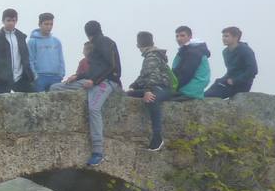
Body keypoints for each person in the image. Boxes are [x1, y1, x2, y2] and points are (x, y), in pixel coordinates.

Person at [51, 21, 122, 166]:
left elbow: (111, 66)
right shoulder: (97, 44)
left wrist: (94, 81)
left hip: (107, 82)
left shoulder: (103, 43)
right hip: (93, 80)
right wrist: (78, 76)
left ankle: (98, 151)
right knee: (56, 87)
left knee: (94, 108)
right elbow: (94, 70)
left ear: (87, 34)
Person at [126, 32, 174, 151]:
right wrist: (133, 85)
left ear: (138, 45)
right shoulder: (152, 55)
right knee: (129, 94)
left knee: (152, 100)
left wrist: (147, 91)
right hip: (157, 86)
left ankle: (157, 137)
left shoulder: (152, 56)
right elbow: (144, 76)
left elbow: (153, 77)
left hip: (162, 88)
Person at [0, 8, 35, 94]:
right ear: (3, 21)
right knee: (1, 106)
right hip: (1, 80)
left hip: (20, 77)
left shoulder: (21, 37)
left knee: (31, 100)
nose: (11, 23)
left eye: (13, 20)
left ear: (16, 21)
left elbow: (25, 56)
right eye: (8, 20)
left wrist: (29, 73)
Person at [205, 27, 258, 98]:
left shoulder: (245, 50)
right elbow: (231, 70)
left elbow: (253, 70)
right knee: (206, 94)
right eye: (223, 36)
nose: (223, 38)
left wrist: (235, 81)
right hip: (229, 81)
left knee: (209, 96)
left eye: (226, 36)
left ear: (236, 37)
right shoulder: (225, 52)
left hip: (242, 84)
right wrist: (222, 80)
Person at [27, 13, 65, 92]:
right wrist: (35, 76)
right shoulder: (32, 41)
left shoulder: (56, 41)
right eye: (46, 24)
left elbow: (61, 59)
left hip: (55, 77)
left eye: (51, 24)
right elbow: (30, 60)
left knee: (56, 102)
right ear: (40, 24)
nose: (49, 27)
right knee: (40, 103)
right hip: (40, 77)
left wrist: (61, 74)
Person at [170, 26, 210, 100]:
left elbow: (186, 73)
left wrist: (174, 88)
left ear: (190, 37)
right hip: (188, 87)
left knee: (162, 99)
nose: (179, 39)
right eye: (177, 36)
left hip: (191, 89)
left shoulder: (194, 52)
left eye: (182, 35)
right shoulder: (186, 50)